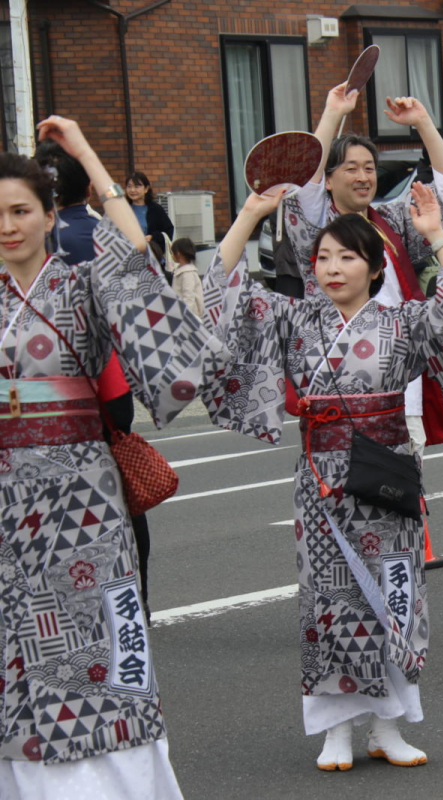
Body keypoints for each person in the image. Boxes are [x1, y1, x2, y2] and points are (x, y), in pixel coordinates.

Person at [200, 183, 443, 771]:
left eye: (347, 257)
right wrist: (248, 214)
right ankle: (336, 729)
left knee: (398, 596)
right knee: (329, 603)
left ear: (375, 267)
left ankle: (388, 724)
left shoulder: (407, 322)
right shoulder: (293, 319)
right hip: (321, 481)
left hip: (388, 476)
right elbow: (222, 293)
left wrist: (438, 240)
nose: (331, 268)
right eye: (321, 258)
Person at [1, 116, 226, 799]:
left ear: (50, 216)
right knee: (17, 651)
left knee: (100, 650)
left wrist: (87, 158)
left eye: (20, 211)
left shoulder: (85, 283)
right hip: (7, 499)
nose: (8, 226)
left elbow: (138, 270)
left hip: (82, 504)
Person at [284, 81, 443, 458]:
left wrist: (423, 124)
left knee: (404, 480)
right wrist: (333, 112)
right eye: (351, 168)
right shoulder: (319, 227)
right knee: (341, 484)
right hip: (340, 372)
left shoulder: (390, 221)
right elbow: (303, 183)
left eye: (369, 167)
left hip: (397, 366)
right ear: (330, 178)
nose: (363, 177)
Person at [35, 140, 158, 618]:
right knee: (121, 486)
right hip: (106, 377)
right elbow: (139, 251)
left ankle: (65, 600)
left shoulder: (30, 245)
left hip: (40, 387)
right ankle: (134, 598)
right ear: (85, 185)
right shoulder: (99, 234)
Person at [124, 169, 174, 258]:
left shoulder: (156, 209)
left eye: (137, 186)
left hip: (152, 258)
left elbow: (168, 231)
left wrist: (153, 237)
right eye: (129, 186)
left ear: (146, 189)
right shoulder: (122, 209)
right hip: (127, 257)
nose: (132, 190)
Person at [170, 236, 203, 317]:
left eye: (172, 252)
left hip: (190, 316)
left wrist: (185, 316)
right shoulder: (181, 271)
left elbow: (189, 297)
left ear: (178, 254)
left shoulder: (187, 273)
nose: (171, 255)